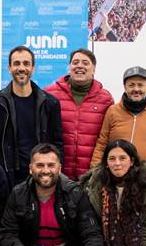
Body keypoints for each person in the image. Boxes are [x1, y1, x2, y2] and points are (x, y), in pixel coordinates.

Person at [0, 143, 103, 246]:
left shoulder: (75, 193)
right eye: (40, 165)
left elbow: (92, 234)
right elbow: (7, 233)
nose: (45, 170)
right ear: (30, 168)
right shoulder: (18, 194)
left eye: (51, 165)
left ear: (60, 168)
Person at [0, 47, 64, 185]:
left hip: (41, 177)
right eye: (16, 63)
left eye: (26, 63)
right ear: (9, 68)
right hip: (6, 179)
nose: (21, 68)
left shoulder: (50, 103)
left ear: (33, 68)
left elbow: (57, 143)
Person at [90, 66, 146, 180]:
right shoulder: (113, 111)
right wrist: (96, 171)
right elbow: (102, 144)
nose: (136, 89)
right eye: (131, 85)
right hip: (116, 181)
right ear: (125, 87)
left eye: (140, 85)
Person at [44, 48, 114, 180]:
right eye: (75, 62)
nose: (80, 66)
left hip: (92, 176)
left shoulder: (105, 99)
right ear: (69, 67)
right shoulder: (49, 94)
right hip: (57, 174)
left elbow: (108, 137)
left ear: (93, 70)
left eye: (85, 63)